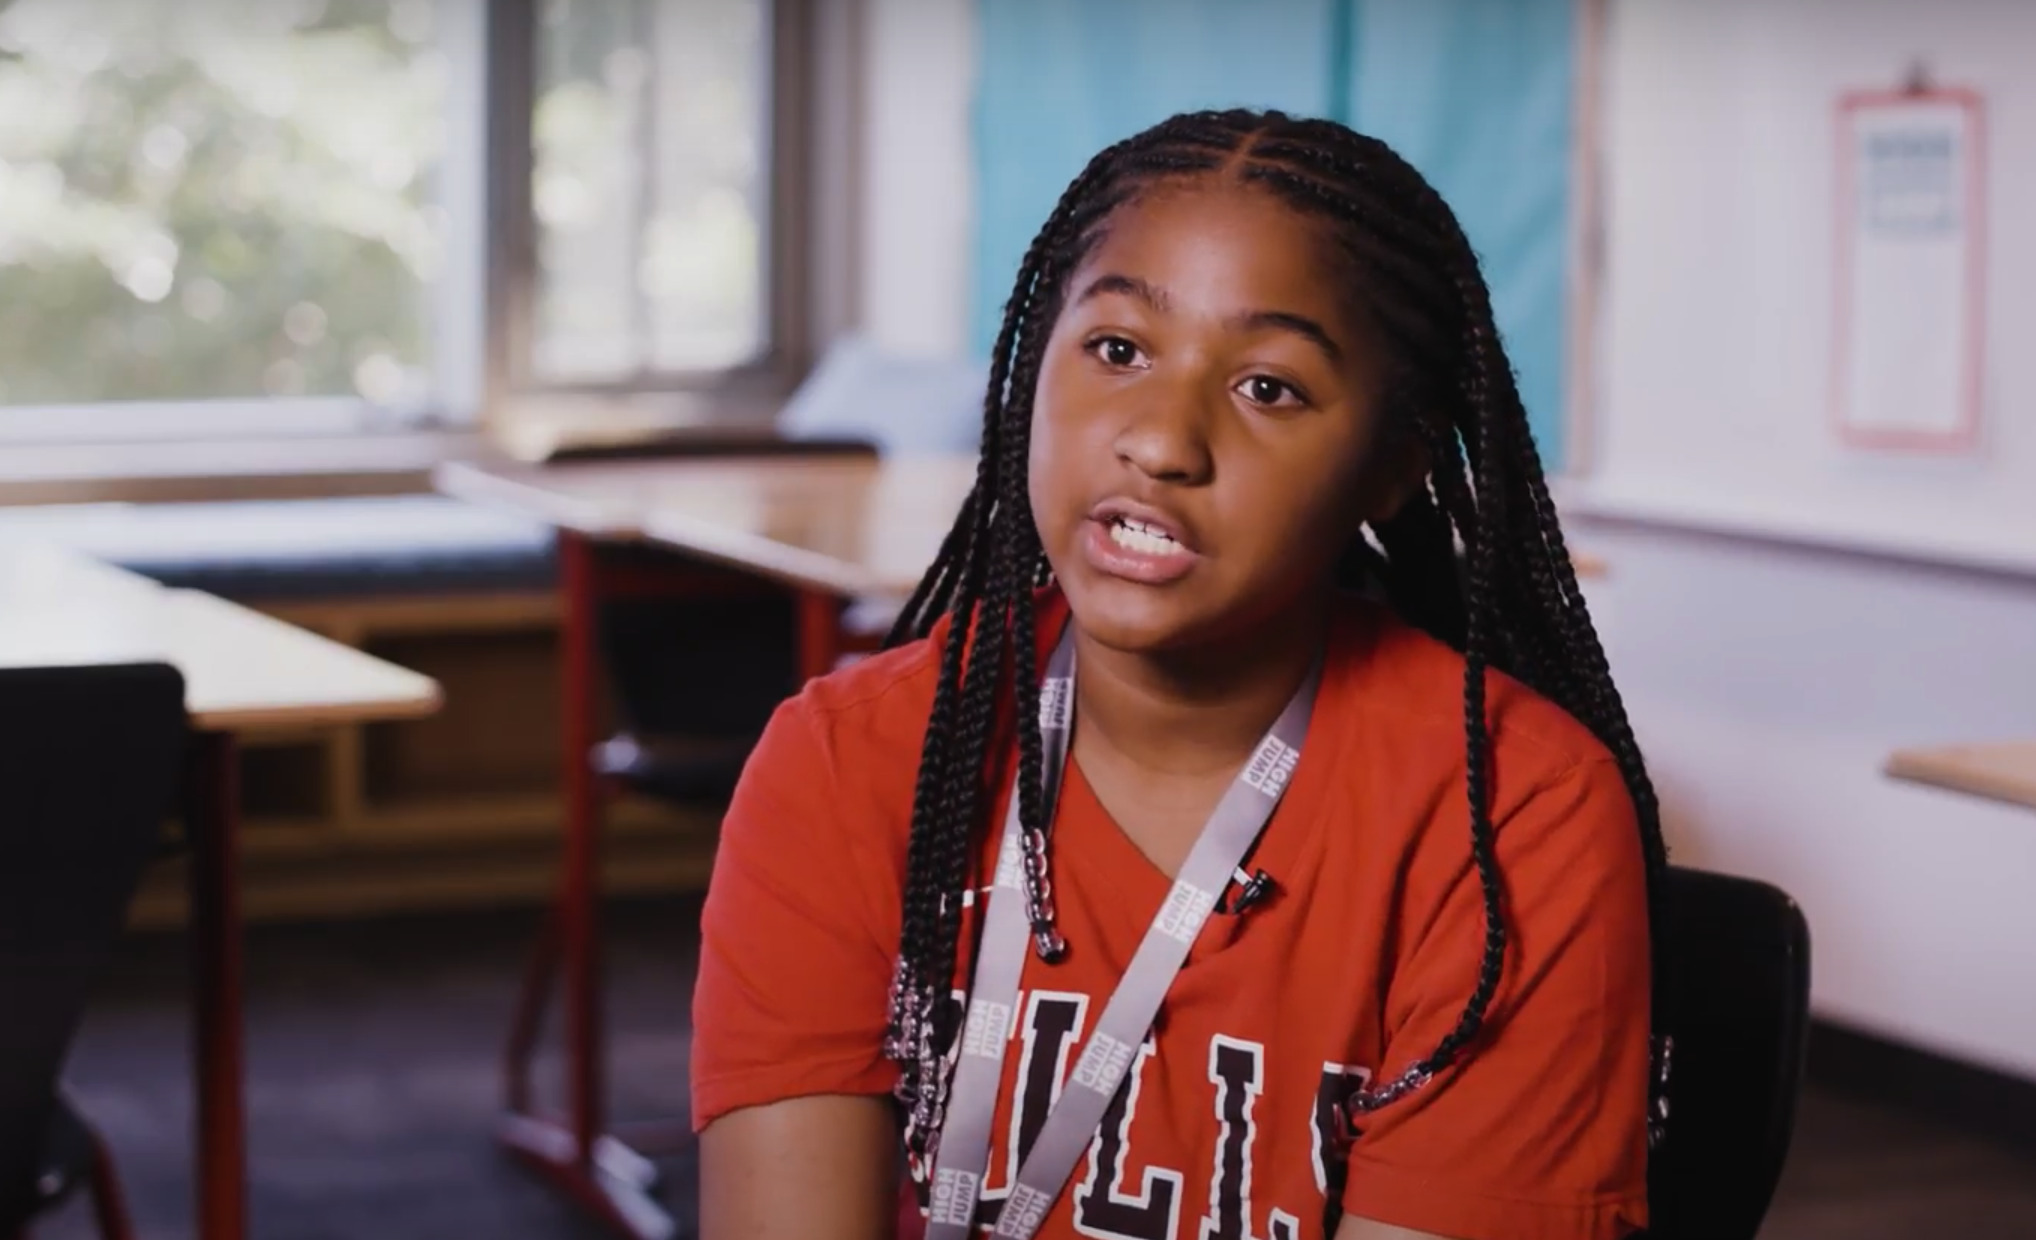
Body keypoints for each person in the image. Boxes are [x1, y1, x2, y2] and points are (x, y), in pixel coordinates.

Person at [692, 109, 1663, 1240]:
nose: (1161, 440)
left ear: (1391, 467)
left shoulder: (1512, 818)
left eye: (1269, 387)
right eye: (1116, 350)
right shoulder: (848, 759)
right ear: (1026, 372)